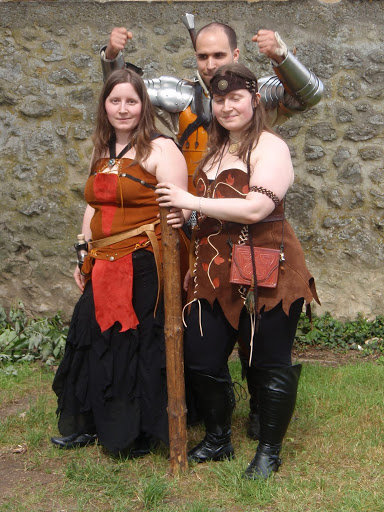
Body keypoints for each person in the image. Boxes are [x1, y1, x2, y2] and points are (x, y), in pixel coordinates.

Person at [100, 18, 323, 439]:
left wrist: (282, 56)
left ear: (236, 57)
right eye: (202, 56)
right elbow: (124, 98)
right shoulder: (182, 95)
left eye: (219, 55)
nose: (209, 63)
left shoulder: (261, 98)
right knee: (203, 326)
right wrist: (113, 59)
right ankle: (210, 417)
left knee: (257, 336)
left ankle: (262, 415)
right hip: (199, 226)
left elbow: (310, 95)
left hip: (251, 233)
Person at [156, 63, 320, 479]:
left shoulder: (271, 147)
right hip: (214, 268)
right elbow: (213, 215)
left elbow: (255, 207)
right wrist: (188, 220)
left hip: (269, 265)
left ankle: (269, 450)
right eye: (219, 98)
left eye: (235, 98)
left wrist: (190, 201)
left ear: (254, 100)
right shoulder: (214, 150)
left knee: (268, 361)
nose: (227, 106)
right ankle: (218, 438)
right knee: (200, 355)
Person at [50, 68, 189, 458]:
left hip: (145, 264)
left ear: (143, 105)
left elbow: (180, 212)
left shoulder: (160, 149)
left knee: (135, 343)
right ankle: (89, 423)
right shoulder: (102, 147)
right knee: (94, 338)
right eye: (115, 101)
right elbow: (94, 206)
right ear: (105, 106)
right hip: (103, 260)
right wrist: (83, 253)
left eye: (131, 101)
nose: (123, 109)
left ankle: (135, 432)